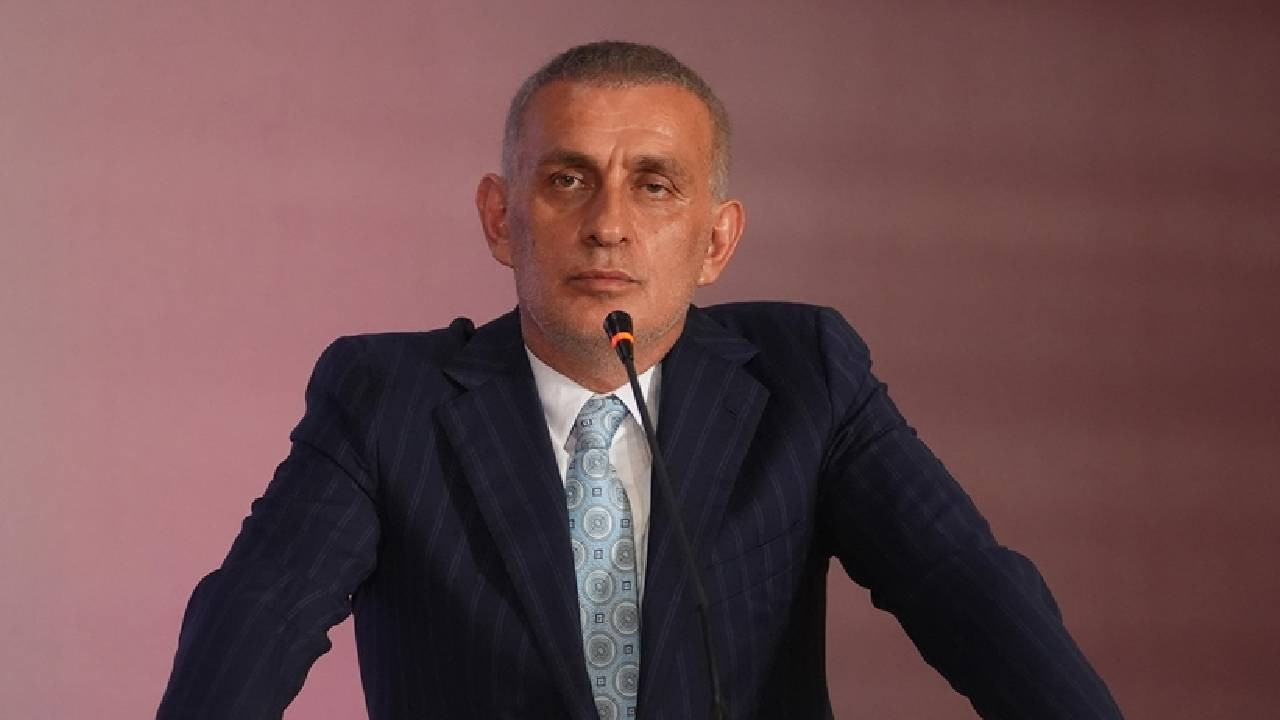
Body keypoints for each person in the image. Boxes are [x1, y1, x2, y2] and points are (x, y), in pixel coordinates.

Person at [157, 41, 1122, 719]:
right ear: (500, 219)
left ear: (716, 240)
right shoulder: (385, 400)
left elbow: (972, 594)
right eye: (567, 180)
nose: (608, 226)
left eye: (654, 185)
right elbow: (255, 623)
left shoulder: (809, 377)